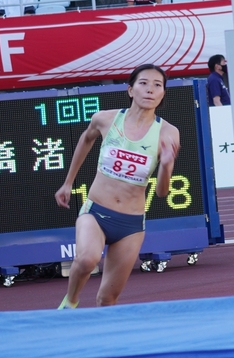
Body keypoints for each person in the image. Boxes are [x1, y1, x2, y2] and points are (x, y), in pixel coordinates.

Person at [55, 64, 180, 309]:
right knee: (87, 260)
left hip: (131, 224)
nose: (150, 90)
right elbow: (86, 140)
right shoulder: (105, 119)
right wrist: (68, 183)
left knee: (107, 299)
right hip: (96, 211)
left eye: (157, 85)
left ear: (163, 94)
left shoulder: (168, 133)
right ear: (130, 90)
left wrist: (166, 166)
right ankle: (70, 303)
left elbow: (163, 192)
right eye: (143, 83)